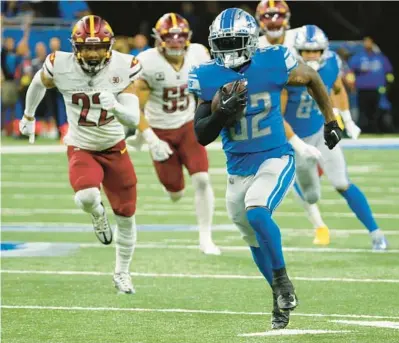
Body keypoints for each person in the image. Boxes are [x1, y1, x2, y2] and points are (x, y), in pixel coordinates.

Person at [189, 8, 341, 329]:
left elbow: (311, 77)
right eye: (223, 43)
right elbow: (202, 135)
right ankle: (278, 294)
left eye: (235, 42)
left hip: (275, 156)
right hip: (237, 167)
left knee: (257, 211)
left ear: (250, 40)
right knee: (252, 238)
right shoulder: (207, 75)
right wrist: (220, 114)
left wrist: (330, 120)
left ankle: (283, 282)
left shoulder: (272, 60)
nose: (229, 50)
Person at [19, 15, 142, 294]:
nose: (92, 53)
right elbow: (38, 83)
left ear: (108, 46)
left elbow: (134, 118)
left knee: (126, 215)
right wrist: (29, 115)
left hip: (115, 146)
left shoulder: (124, 66)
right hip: (81, 145)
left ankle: (122, 272)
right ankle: (97, 213)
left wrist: (118, 109)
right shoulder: (60, 64)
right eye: (86, 47)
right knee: (87, 196)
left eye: (98, 47)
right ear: (75, 47)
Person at [256, 0, 360, 245]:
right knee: (277, 177)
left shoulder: (300, 39)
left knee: (316, 174)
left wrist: (344, 117)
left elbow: (328, 74)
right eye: (268, 16)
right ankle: (319, 225)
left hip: (303, 116)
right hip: (266, 113)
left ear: (287, 18)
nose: (273, 21)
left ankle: (319, 223)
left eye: (278, 15)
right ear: (260, 20)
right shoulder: (255, 46)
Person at [282, 25, 388, 250]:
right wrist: (296, 144)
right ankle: (316, 216)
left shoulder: (331, 63)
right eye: (306, 51)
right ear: (297, 51)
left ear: (324, 51)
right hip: (297, 140)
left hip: (321, 132)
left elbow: (337, 90)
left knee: (341, 182)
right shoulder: (287, 71)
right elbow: (277, 116)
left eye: (316, 51)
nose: (312, 56)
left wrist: (347, 120)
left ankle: (376, 232)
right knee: (311, 197)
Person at [126, 13, 220, 255]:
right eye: (170, 36)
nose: (176, 41)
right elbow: (136, 106)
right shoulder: (147, 61)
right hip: (160, 130)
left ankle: (205, 237)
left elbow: (210, 86)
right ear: (159, 39)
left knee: (202, 179)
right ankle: (172, 186)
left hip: (188, 125)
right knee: (175, 193)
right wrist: (148, 137)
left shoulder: (199, 53)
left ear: (187, 38)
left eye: (180, 36)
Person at [348, 36, 394, 133]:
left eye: (369, 42)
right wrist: (351, 85)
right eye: (365, 42)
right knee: (363, 111)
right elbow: (350, 72)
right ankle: (364, 130)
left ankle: (376, 130)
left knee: (376, 111)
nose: (367, 44)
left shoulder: (380, 57)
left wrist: (388, 85)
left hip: (377, 89)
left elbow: (389, 73)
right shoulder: (358, 57)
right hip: (362, 89)